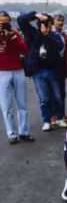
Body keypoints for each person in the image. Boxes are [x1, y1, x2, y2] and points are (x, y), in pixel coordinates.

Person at [17, 11, 64, 132]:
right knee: (44, 98)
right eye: (43, 23)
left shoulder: (54, 36)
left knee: (57, 96)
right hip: (38, 71)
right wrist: (35, 15)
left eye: (48, 24)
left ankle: (59, 117)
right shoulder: (32, 34)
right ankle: (46, 120)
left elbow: (58, 47)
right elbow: (21, 20)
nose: (46, 26)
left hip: (52, 70)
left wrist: (46, 35)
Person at [0, 11, 33, 144]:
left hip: (17, 70)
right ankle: (11, 134)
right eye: (1, 22)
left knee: (22, 104)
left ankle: (24, 132)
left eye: (6, 22)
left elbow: (25, 50)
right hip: (2, 72)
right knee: (6, 106)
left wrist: (12, 38)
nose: (3, 24)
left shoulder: (14, 33)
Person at [51, 14, 67, 125]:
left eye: (62, 20)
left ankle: (61, 114)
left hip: (61, 66)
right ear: (53, 21)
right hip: (51, 66)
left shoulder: (63, 34)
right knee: (54, 93)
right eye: (58, 20)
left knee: (62, 92)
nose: (60, 23)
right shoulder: (49, 33)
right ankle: (53, 115)